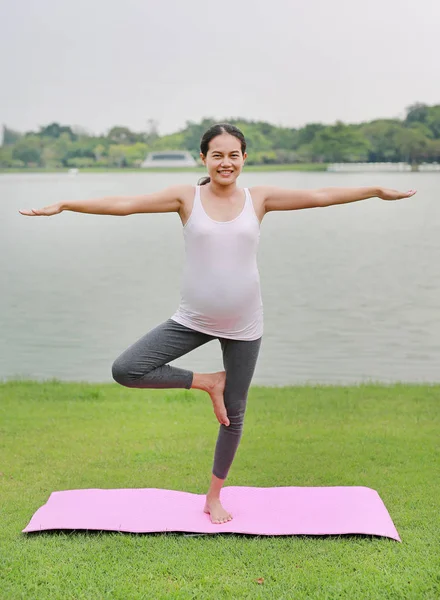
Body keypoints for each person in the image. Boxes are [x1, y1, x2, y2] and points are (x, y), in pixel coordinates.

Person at [19, 123, 417, 524]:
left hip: (244, 325)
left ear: (244, 158)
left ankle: (213, 496)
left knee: (234, 413)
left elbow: (319, 195)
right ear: (204, 159)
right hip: (192, 319)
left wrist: (374, 191)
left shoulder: (257, 199)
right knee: (127, 369)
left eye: (233, 155)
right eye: (217, 155)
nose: (225, 162)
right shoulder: (184, 197)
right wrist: (68, 203)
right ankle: (208, 381)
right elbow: (127, 204)